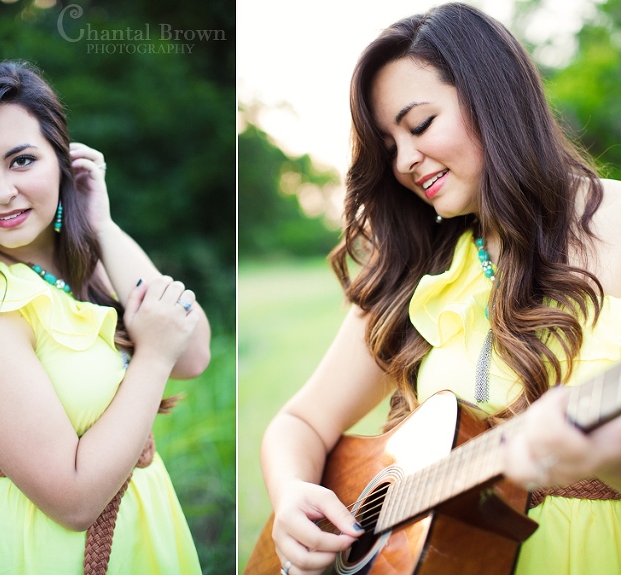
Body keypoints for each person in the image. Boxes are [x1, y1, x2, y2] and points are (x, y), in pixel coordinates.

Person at [259, 4, 621, 575]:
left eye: (421, 124)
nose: (405, 161)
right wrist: (290, 498)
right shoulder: (418, 268)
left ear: (494, 97)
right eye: (389, 146)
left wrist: (602, 456)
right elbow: (300, 422)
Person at [0, 61, 211, 575]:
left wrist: (102, 226)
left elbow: (194, 352)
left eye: (22, 160)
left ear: (63, 160)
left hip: (144, 531)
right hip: (44, 552)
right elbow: (73, 501)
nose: (2, 192)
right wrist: (153, 355)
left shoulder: (80, 266)